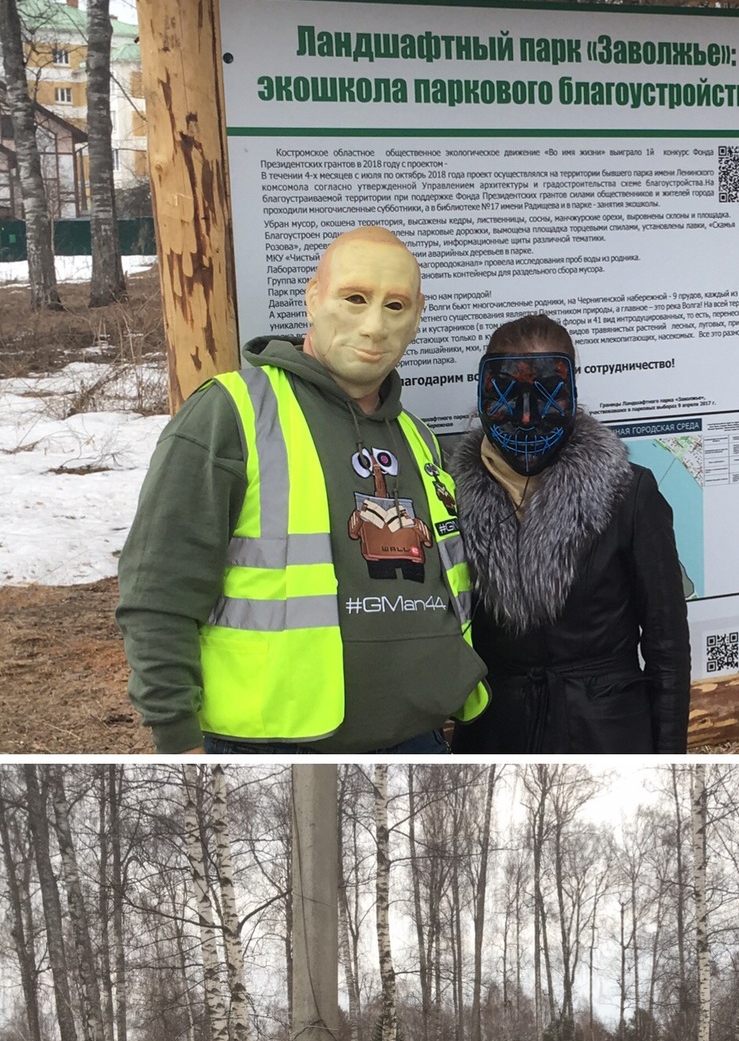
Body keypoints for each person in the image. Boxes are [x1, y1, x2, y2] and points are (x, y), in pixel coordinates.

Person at [117, 226, 486, 754]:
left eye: (396, 305)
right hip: (269, 746)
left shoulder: (420, 439)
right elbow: (158, 593)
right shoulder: (231, 415)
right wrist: (177, 736)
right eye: (354, 298)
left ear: (418, 316)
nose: (374, 325)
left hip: (418, 739)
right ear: (313, 299)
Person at [448, 313, 690, 753]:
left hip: (607, 731)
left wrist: (667, 755)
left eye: (546, 396)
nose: (525, 419)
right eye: (508, 394)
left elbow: (666, 645)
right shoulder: (447, 495)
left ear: (571, 394)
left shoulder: (628, 493)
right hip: (495, 733)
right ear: (485, 392)